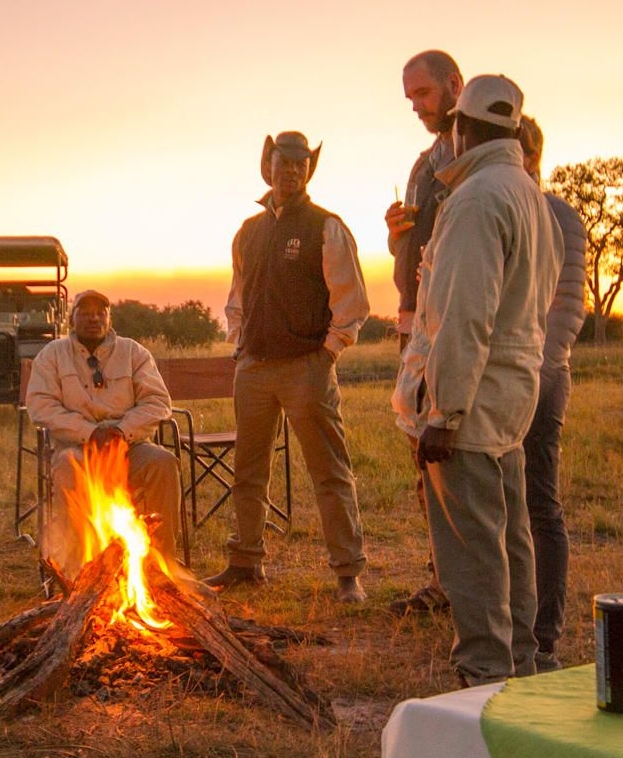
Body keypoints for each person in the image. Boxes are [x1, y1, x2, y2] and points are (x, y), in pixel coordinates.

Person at [393, 75, 562, 685]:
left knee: (471, 547)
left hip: (471, 398)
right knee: (510, 536)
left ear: (462, 127)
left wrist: (443, 412)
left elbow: (463, 315)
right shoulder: (526, 192)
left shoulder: (474, 199)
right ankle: (522, 659)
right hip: (513, 391)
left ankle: (485, 671)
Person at [208, 131, 371, 603]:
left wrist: (328, 352)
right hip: (254, 367)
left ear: (308, 172)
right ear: (268, 166)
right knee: (248, 469)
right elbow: (237, 296)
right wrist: (240, 344)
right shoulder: (248, 231)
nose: (292, 171)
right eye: (284, 162)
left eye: (301, 165)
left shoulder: (326, 226)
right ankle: (245, 562)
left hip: (306, 366)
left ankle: (347, 573)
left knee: (329, 471)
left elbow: (351, 300)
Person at [23, 289, 178, 579]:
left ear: (109, 318)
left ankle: (159, 565)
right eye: (85, 312)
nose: (93, 318)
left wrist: (121, 431)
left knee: (163, 462)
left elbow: (158, 402)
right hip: (76, 448)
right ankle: (80, 568)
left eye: (100, 312)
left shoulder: (133, 352)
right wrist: (90, 433)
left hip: (130, 447)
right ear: (72, 318)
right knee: (68, 466)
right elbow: (41, 406)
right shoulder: (53, 355)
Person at [385, 50, 464, 617]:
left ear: (454, 85)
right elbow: (413, 245)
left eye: (423, 94)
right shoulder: (422, 164)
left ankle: (468, 585)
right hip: (414, 322)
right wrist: (396, 235)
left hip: (452, 323)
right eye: (409, 96)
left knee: (460, 454)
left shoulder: (477, 156)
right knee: (425, 460)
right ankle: (443, 580)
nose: (414, 105)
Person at [521, 116, 590, 673]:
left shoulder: (557, 216)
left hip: (539, 375)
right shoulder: (510, 206)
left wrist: (537, 370)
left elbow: (568, 306)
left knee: (539, 504)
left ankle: (544, 635)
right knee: (507, 506)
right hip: (513, 373)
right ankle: (516, 627)